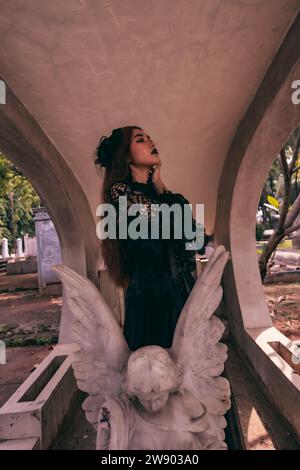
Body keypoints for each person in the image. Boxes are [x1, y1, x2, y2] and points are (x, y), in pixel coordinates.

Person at [94, 126, 211, 351]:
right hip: (151, 298)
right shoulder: (122, 192)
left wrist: (159, 184)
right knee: (156, 374)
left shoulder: (157, 195)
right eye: (140, 139)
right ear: (126, 156)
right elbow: (171, 228)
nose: (150, 141)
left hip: (180, 293)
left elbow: (197, 240)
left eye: (149, 137)